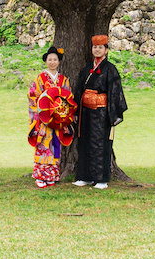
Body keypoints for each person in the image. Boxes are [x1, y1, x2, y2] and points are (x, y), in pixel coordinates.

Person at [72, 34, 126, 189]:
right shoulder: (87, 68)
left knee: (100, 145)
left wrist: (115, 114)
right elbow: (79, 90)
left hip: (102, 113)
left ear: (106, 50)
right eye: (95, 47)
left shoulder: (110, 69)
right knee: (85, 143)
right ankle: (85, 176)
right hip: (86, 113)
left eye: (100, 47)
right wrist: (76, 111)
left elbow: (116, 93)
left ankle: (101, 179)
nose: (97, 50)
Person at [27, 45, 75, 188]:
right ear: (46, 61)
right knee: (43, 145)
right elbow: (33, 95)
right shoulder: (40, 78)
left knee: (55, 147)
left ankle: (52, 176)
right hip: (43, 119)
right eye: (50, 59)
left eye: (55, 59)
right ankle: (40, 176)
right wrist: (40, 113)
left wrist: (65, 114)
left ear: (59, 62)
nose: (52, 62)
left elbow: (68, 98)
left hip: (58, 119)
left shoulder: (63, 80)